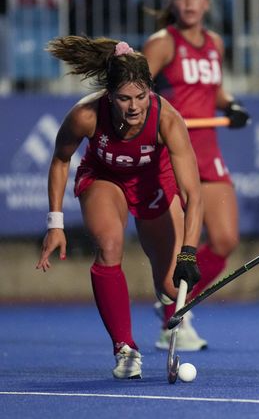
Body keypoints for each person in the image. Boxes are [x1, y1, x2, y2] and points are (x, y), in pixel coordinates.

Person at [35, 36, 203, 380]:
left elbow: (193, 195)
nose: (134, 107)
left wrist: (188, 253)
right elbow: (61, 159)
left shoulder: (168, 120)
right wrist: (55, 223)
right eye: (124, 98)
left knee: (173, 286)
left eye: (141, 96)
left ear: (150, 91)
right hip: (104, 177)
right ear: (109, 96)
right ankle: (125, 348)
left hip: (152, 182)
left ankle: (167, 303)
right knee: (109, 244)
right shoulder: (85, 115)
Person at [143, 0, 250, 352]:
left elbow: (215, 89)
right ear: (172, 2)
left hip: (208, 150)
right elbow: (136, 89)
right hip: (172, 151)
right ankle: (176, 311)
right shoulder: (162, 42)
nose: (188, 3)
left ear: (206, 3)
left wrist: (232, 105)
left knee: (224, 240)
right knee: (177, 245)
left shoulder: (215, 43)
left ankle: (177, 304)